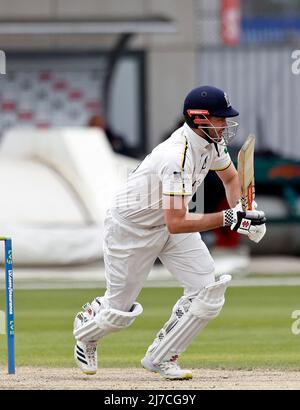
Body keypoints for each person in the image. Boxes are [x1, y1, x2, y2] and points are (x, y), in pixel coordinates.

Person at [73, 86, 266, 380]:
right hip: (132, 228)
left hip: (170, 223)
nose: (225, 124)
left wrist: (246, 211)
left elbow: (230, 179)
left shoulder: (212, 144)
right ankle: (87, 327)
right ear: (199, 118)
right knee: (118, 312)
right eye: (220, 119)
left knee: (207, 293)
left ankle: (161, 357)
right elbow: (177, 221)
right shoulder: (175, 157)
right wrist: (230, 218)